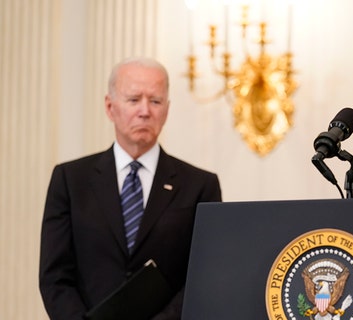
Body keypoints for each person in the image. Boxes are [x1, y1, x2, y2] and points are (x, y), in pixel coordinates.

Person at [39, 57, 222, 319]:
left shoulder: (200, 185)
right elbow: (54, 276)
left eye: (155, 101)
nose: (145, 111)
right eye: (134, 99)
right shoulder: (69, 180)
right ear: (110, 106)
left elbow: (205, 274)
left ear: (167, 110)